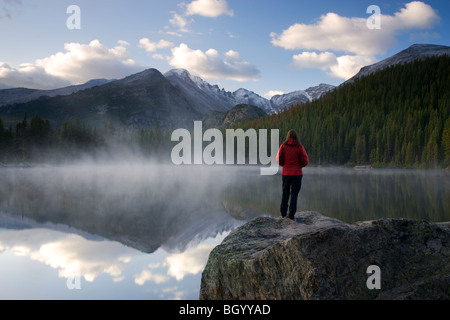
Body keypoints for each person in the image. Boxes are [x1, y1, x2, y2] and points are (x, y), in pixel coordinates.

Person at [276, 129, 309, 220]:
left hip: (286, 173)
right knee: (294, 195)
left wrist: (284, 165)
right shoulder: (299, 147)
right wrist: (299, 166)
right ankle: (291, 215)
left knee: (285, 193)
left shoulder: (283, 146)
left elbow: (278, 159)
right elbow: (305, 160)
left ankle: (283, 214)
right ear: (296, 136)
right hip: (297, 173)